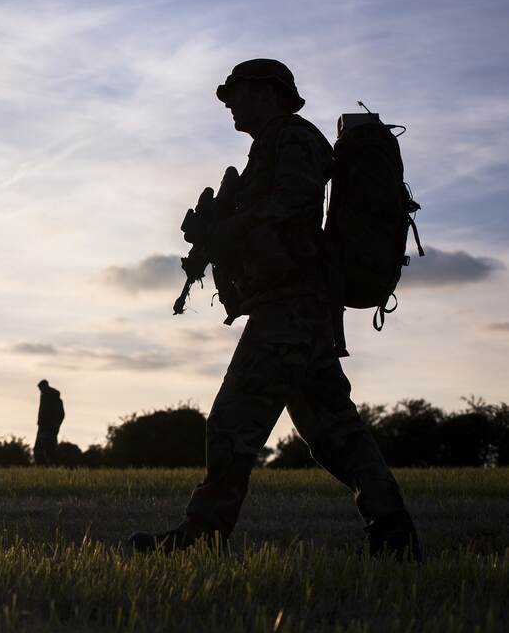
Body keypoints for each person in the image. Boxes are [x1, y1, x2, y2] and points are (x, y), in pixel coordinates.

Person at [130, 59, 422, 560]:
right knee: (334, 432)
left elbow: (295, 199)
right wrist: (218, 231)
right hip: (297, 305)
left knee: (233, 420)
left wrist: (230, 228)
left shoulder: (293, 136)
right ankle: (393, 536)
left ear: (268, 92)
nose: (230, 104)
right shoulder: (273, 142)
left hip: (291, 306)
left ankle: (203, 536)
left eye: (236, 93)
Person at [33, 379, 64, 465]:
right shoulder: (45, 397)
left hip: (49, 428)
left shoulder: (52, 398)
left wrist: (55, 425)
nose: (40, 390)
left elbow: (60, 415)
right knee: (43, 449)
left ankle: (47, 466)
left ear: (45, 387)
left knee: (47, 449)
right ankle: (44, 467)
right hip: (43, 427)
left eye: (41, 388)